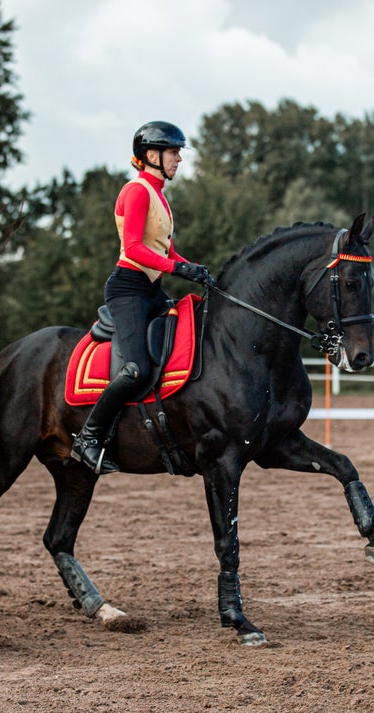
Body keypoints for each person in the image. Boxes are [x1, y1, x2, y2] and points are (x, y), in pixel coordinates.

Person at [71, 120, 214, 474]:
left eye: (178, 153)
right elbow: (134, 248)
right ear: (151, 155)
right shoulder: (136, 192)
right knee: (135, 370)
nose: (179, 159)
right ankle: (88, 438)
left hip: (151, 290)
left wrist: (192, 268)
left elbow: (166, 249)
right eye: (173, 152)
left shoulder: (160, 196)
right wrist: (175, 269)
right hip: (128, 290)